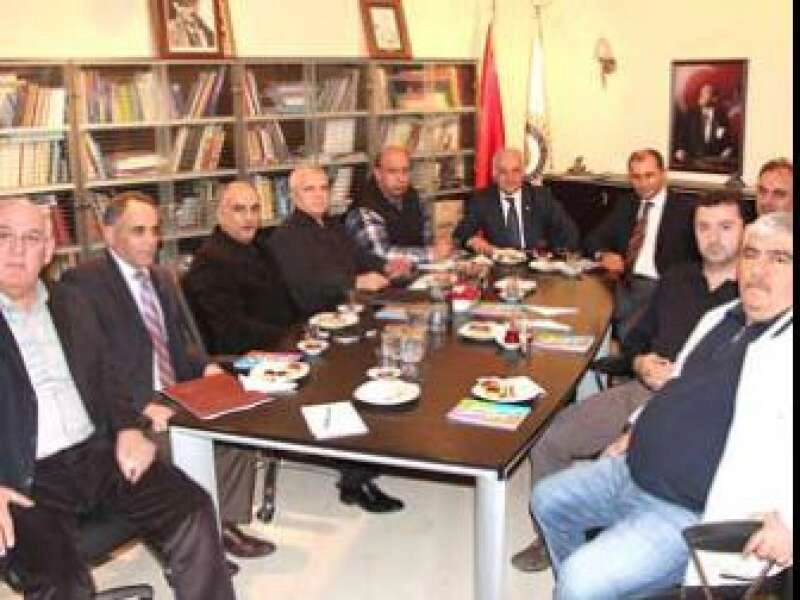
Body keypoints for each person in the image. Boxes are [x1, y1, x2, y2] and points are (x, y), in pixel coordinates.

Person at [531, 211, 793, 599]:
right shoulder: (719, 318)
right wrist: (634, 428)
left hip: (686, 510)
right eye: (751, 254)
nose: (759, 269)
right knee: (547, 499)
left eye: (780, 258)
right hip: (632, 470)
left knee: (579, 581)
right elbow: (674, 385)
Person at [0, 196, 235, 599]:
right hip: (20, 479)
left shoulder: (71, 302)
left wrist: (128, 428)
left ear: (49, 250)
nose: (16, 250)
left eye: (31, 238)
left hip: (97, 453)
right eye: (4, 236)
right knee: (63, 582)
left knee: (192, 508)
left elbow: (107, 376)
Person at [511, 191, 744, 573]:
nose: (713, 237)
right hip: (643, 389)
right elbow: (634, 339)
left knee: (632, 467)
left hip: (694, 412)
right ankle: (549, 536)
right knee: (549, 439)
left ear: (744, 229)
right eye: (704, 227)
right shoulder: (677, 278)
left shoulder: (752, 296)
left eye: (725, 227)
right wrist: (639, 361)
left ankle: (615, 546)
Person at [62, 191, 274, 565]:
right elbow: (91, 364)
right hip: (125, 409)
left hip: (176, 391)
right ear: (109, 234)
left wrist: (207, 369)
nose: (151, 241)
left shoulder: (161, 278)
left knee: (238, 426)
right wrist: (141, 405)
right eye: (138, 231)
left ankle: (222, 524)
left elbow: (178, 345)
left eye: (155, 230)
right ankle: (186, 539)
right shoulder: (82, 283)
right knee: (176, 446)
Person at [268, 166, 403, 513]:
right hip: (309, 331)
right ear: (294, 196)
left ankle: (376, 452)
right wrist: (355, 282)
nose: (318, 195)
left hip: (347, 319)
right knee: (350, 388)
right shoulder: (285, 237)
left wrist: (387, 266)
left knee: (388, 364)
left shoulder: (332, 225)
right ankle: (356, 481)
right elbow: (305, 284)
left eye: (323, 188)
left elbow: (360, 259)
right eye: (309, 189)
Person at [583, 148, 698, 341]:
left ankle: (624, 351)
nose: (643, 183)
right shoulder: (626, 204)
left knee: (630, 329)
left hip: (661, 287)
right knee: (588, 316)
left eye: (649, 175)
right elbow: (593, 239)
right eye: (636, 177)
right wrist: (603, 255)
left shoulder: (685, 209)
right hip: (624, 282)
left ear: (663, 174)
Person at [183, 180, 295, 355]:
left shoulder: (261, 247)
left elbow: (284, 301)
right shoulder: (210, 262)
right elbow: (232, 332)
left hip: (277, 345)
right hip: (245, 356)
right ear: (220, 214)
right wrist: (287, 336)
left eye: (254, 209)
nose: (249, 217)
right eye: (239, 209)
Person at [345, 145, 453, 279]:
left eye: (405, 171)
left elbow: (427, 238)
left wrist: (440, 246)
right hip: (379, 282)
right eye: (393, 172)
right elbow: (380, 254)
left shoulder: (413, 196)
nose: (401, 179)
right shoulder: (364, 207)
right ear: (378, 174)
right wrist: (430, 254)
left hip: (416, 274)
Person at [452, 147, 579, 255]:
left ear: (523, 173)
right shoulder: (483, 199)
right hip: (499, 267)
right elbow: (460, 234)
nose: (510, 178)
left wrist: (551, 254)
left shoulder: (541, 196)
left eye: (515, 171)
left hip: (535, 266)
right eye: (503, 172)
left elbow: (570, 233)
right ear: (494, 174)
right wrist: (474, 242)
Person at [673, 83, 735, 169]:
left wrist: (727, 151)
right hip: (692, 163)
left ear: (715, 98)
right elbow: (681, 137)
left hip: (715, 164)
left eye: (706, 92)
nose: (701, 95)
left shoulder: (722, 117)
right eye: (701, 92)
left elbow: (728, 142)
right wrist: (680, 150)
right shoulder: (690, 115)